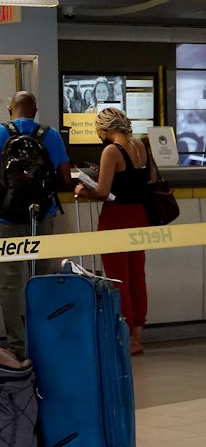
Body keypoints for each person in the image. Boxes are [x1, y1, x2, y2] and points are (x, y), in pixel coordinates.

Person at [0, 91, 72, 360]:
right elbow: (65, 176)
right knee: (40, 280)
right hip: (42, 216)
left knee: (10, 283)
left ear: (10, 109)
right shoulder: (50, 135)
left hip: (5, 218)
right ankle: (43, 340)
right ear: (35, 110)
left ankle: (17, 345)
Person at [74, 107, 151, 355]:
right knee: (137, 275)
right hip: (140, 216)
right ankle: (138, 333)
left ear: (105, 128)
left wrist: (81, 190)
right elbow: (150, 179)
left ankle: (127, 338)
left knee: (119, 279)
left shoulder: (111, 151)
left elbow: (102, 192)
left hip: (116, 218)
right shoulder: (141, 147)